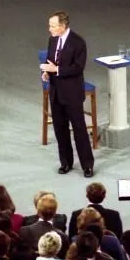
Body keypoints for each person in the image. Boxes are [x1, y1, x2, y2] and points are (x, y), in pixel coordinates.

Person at [39, 11, 94, 178]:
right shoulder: (53, 39)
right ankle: (66, 162)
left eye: (52, 26)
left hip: (72, 93)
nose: (50, 29)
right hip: (56, 92)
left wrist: (56, 70)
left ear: (62, 27)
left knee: (79, 129)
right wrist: (47, 73)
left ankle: (87, 165)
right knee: (60, 129)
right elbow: (51, 61)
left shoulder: (78, 43)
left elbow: (78, 68)